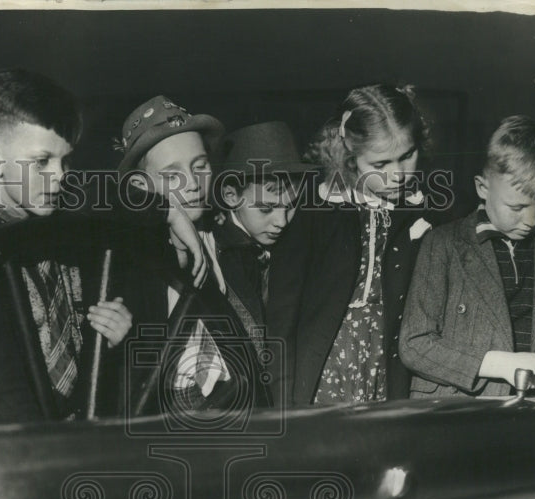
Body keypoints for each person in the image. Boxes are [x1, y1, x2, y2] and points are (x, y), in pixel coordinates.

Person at [0, 70, 205, 422]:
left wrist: (167, 210)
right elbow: (5, 396)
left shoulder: (47, 215)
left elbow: (102, 192)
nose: (59, 175)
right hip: (24, 455)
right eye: (42, 161)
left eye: (65, 159)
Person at [400, 114, 535, 398]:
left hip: (533, 414)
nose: (532, 221)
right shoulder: (442, 244)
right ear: (482, 188)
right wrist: (500, 364)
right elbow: (414, 344)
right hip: (454, 415)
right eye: (517, 206)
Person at [266, 84, 439, 407]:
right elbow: (282, 318)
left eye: (407, 156)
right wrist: (282, 403)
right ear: (349, 157)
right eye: (380, 164)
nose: (398, 175)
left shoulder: (425, 212)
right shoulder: (315, 212)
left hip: (390, 365)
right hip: (324, 364)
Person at [116, 95, 267, 415]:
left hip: (234, 407)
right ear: (140, 186)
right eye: (172, 175)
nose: (193, 183)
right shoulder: (129, 256)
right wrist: (167, 211)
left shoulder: (227, 242)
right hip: (162, 414)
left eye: (200, 166)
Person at [210, 121, 315, 346]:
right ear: (230, 196)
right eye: (266, 208)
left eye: (290, 206)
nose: (281, 222)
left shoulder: (296, 242)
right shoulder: (213, 250)